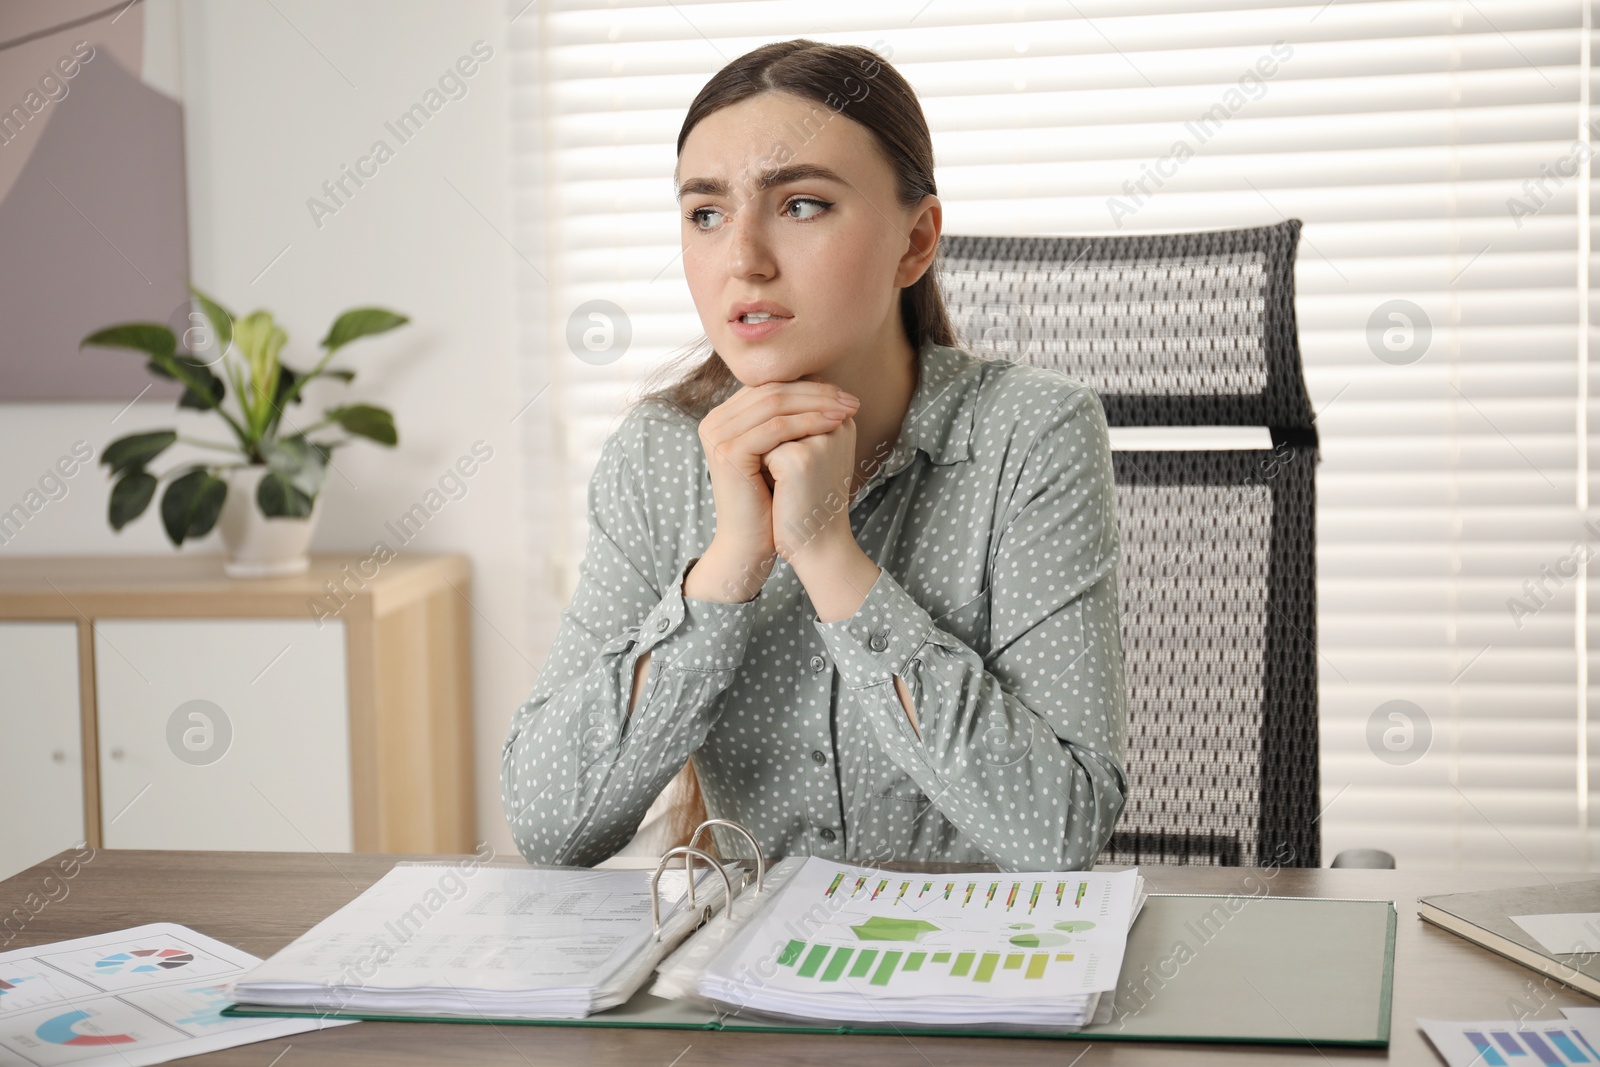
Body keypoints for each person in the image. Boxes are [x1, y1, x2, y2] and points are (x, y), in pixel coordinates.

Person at [501, 38, 1127, 873]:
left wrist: (831, 556)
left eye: (800, 205)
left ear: (916, 240)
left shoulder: (1032, 433)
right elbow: (548, 826)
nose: (744, 260)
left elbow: (1060, 830)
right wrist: (728, 565)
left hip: (978, 983)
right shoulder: (657, 454)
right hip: (747, 982)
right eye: (706, 214)